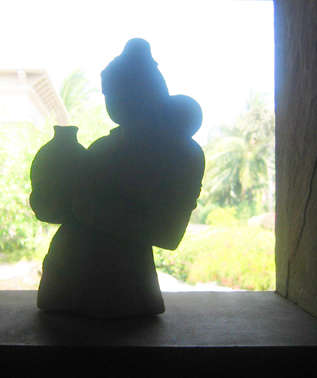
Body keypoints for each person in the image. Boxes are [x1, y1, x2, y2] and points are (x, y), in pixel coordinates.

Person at [33, 39, 204, 318]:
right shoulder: (102, 147)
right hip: (64, 273)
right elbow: (63, 205)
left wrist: (90, 212)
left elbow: (168, 233)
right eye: (108, 93)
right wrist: (50, 184)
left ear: (149, 93)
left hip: (124, 283)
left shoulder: (181, 152)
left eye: (122, 91)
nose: (113, 102)